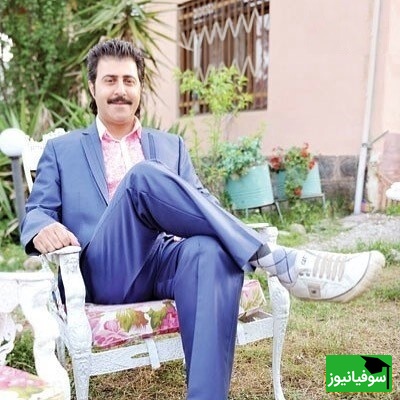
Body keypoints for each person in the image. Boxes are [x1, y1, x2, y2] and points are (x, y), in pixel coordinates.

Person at [21, 39, 384, 400]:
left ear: (140, 88)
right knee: (142, 177)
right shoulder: (63, 149)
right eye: (110, 80)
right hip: (106, 269)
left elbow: (201, 204)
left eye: (129, 81)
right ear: (92, 87)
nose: (121, 90)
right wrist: (42, 227)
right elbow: (36, 211)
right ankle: (276, 259)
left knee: (211, 250)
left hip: (166, 261)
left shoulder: (171, 145)